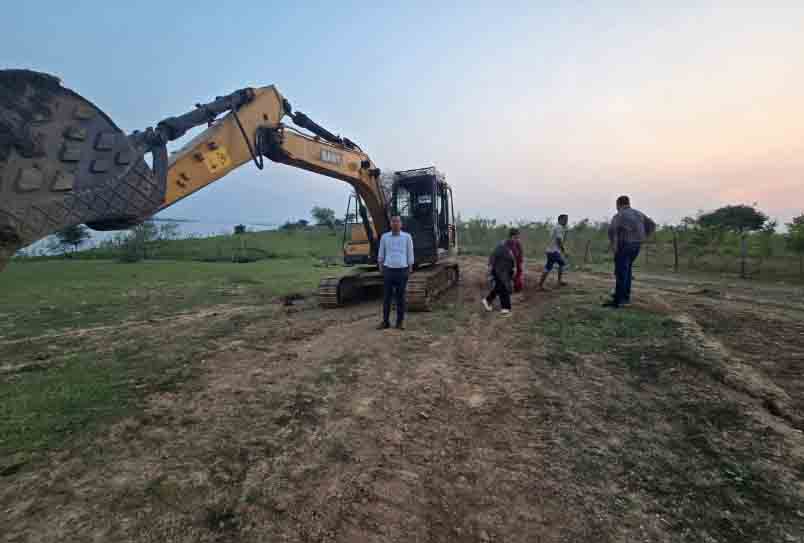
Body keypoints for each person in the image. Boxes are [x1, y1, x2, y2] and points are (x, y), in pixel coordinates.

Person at [604, 195, 656, 308]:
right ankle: (625, 298)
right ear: (628, 203)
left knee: (621, 272)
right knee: (627, 271)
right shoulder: (639, 214)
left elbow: (611, 230)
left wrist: (614, 246)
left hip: (624, 245)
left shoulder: (620, 215)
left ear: (618, 204)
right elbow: (652, 225)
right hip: (636, 245)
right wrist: (644, 236)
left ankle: (618, 300)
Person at [377, 215, 414, 330]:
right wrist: (380, 266)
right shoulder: (385, 237)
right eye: (393, 221)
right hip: (388, 269)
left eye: (397, 221)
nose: (395, 223)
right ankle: (385, 321)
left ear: (401, 224)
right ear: (390, 224)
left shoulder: (407, 237)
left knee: (400, 297)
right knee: (386, 297)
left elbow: (410, 253)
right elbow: (381, 253)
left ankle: (400, 322)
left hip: (402, 270)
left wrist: (410, 267)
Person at [482, 228, 517, 316]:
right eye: (516, 237)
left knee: (499, 287)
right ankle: (505, 309)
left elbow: (512, 258)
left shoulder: (510, 245)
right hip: (499, 271)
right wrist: (490, 269)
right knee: (504, 288)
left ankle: (487, 300)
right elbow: (493, 256)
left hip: (504, 270)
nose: (517, 239)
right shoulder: (502, 245)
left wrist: (513, 268)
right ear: (512, 236)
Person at [537, 214, 569, 290]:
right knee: (561, 264)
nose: (566, 221)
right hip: (553, 251)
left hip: (551, 250)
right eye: (565, 220)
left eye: (567, 220)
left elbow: (559, 240)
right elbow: (559, 241)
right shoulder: (559, 227)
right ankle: (557, 282)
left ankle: (541, 285)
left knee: (549, 267)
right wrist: (564, 251)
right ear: (560, 220)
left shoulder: (557, 227)